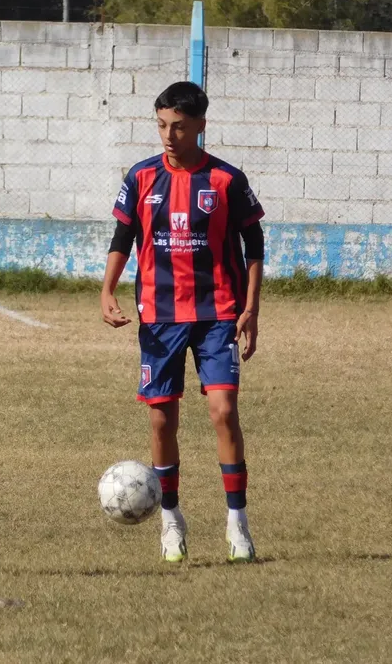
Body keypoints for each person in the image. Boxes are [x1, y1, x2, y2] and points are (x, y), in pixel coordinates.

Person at [100, 81, 265, 563]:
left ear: (199, 126)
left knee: (223, 412)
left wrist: (251, 308)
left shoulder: (226, 181)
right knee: (160, 418)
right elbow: (122, 235)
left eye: (179, 127)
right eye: (162, 126)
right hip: (160, 316)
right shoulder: (141, 177)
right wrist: (107, 289)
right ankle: (170, 518)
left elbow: (254, 248)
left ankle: (238, 523)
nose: (169, 136)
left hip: (217, 312)